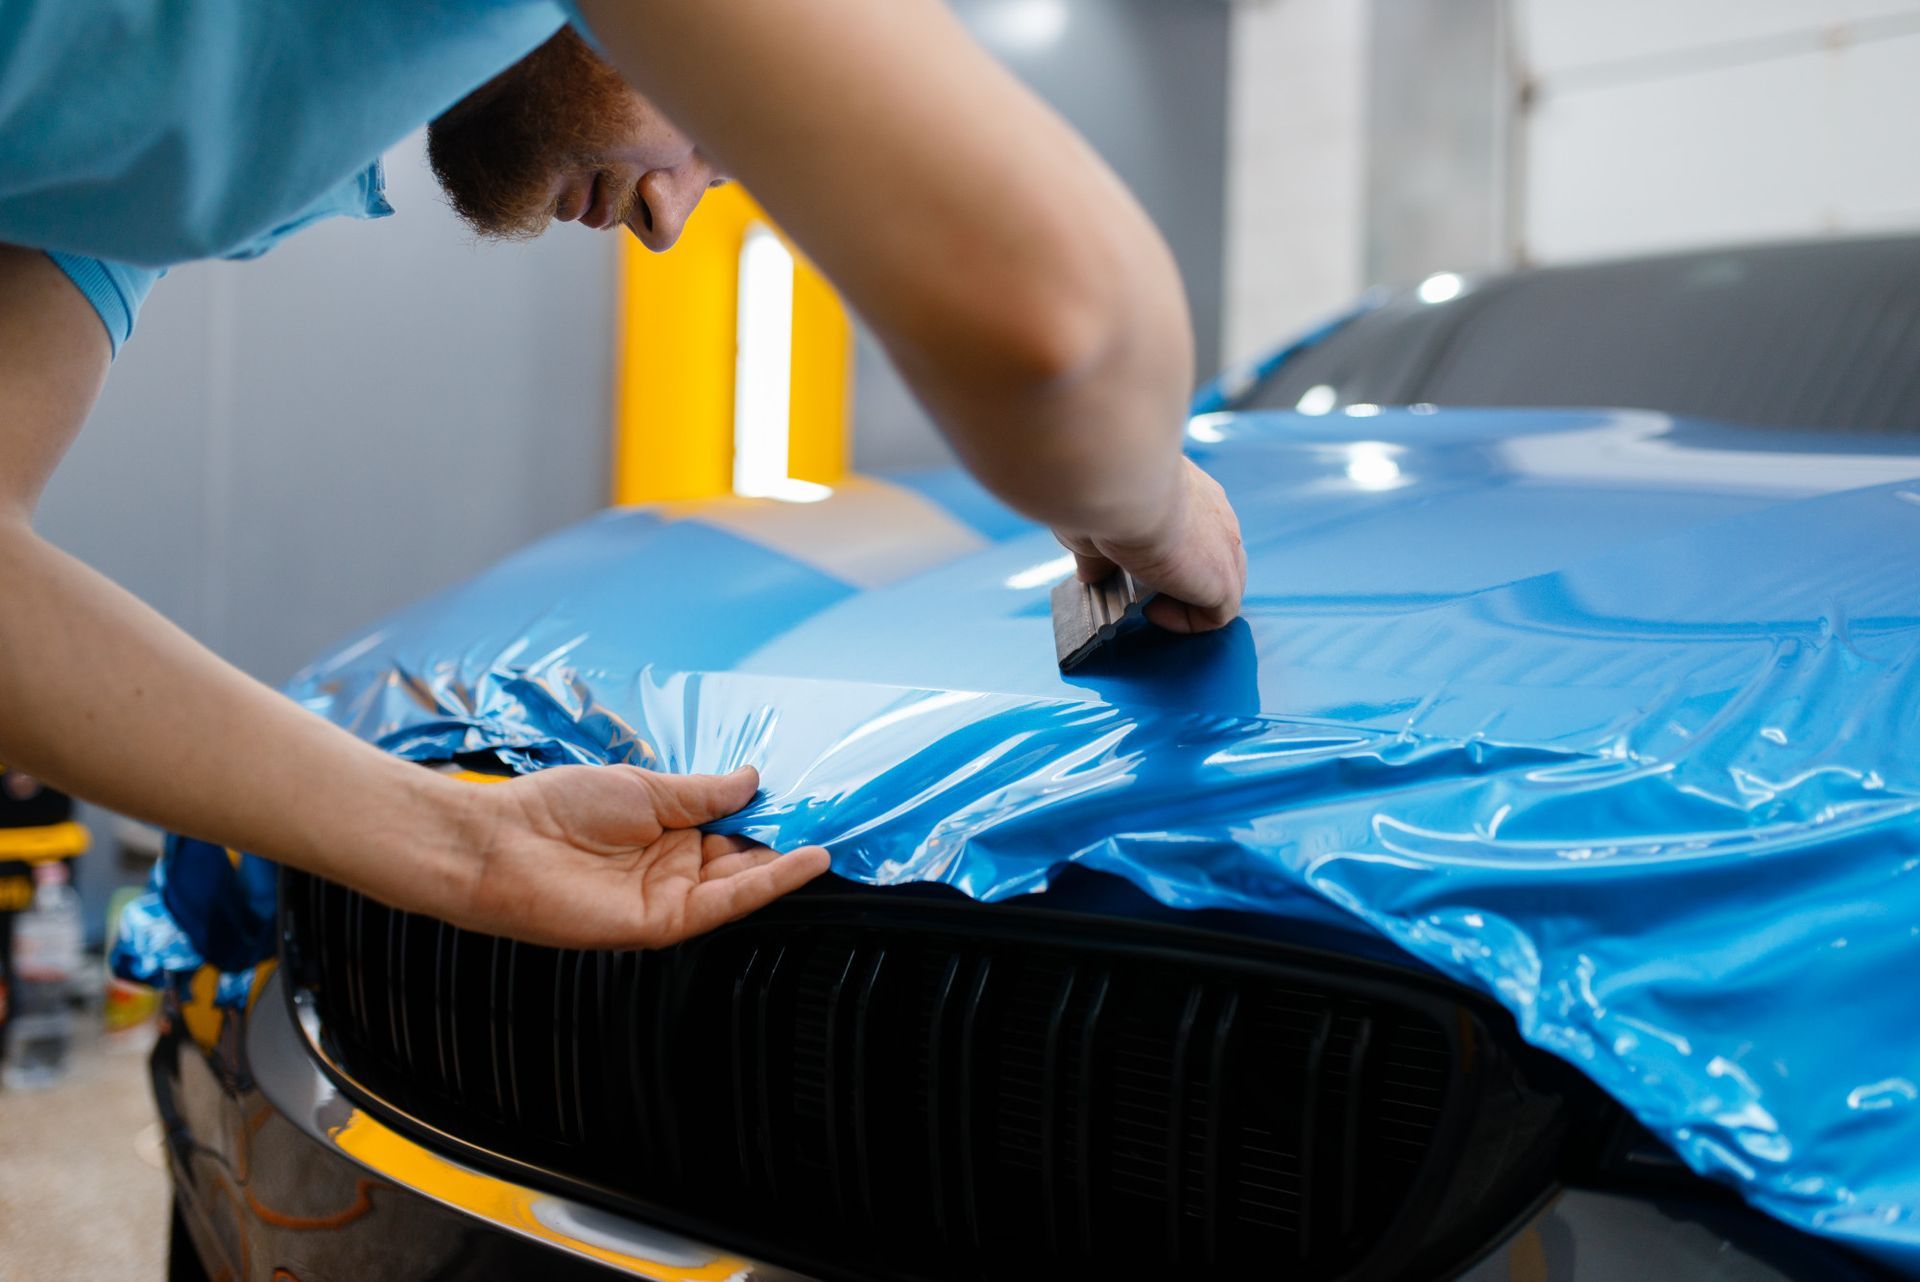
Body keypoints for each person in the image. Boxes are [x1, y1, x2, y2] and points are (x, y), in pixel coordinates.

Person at [0, 1, 1247, 951]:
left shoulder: (173, 167)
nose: (664, 218)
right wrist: (1160, 511)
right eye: (711, 131)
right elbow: (1061, 330)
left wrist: (468, 847)